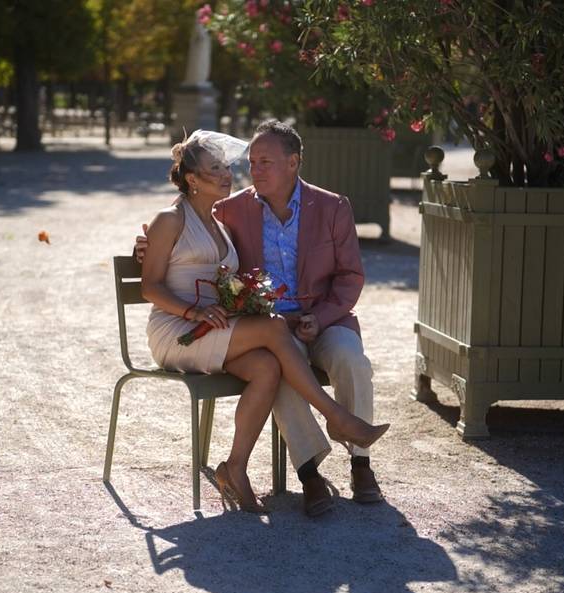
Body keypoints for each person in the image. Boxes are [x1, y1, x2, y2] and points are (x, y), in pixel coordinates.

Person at [138, 120, 385, 517]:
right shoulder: (227, 210)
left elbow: (351, 277)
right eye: (249, 162)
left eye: (265, 161)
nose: (247, 171)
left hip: (320, 320)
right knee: (276, 347)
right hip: (226, 326)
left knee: (320, 362)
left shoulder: (329, 206)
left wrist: (319, 318)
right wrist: (146, 246)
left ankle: (354, 465)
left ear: (294, 162)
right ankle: (314, 466)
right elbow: (164, 257)